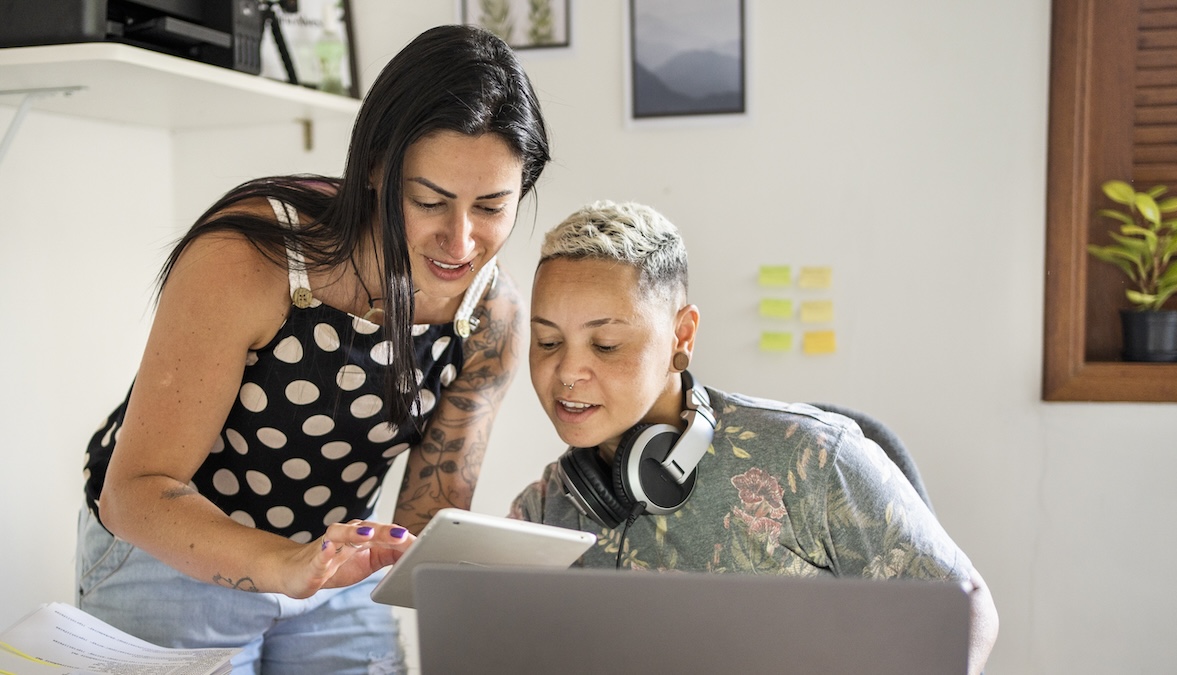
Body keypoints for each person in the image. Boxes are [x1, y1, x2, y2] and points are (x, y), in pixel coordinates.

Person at [77, 24, 549, 674]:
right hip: (169, 557)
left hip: (331, 571)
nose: (460, 241)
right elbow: (132, 494)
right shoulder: (251, 257)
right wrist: (286, 563)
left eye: (492, 206)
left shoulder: (490, 316)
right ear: (379, 167)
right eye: (430, 201)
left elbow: (419, 529)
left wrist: (484, 570)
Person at [511, 201, 999, 674]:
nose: (567, 371)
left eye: (606, 344)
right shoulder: (541, 512)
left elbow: (963, 607)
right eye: (548, 341)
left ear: (682, 337)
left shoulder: (815, 458)